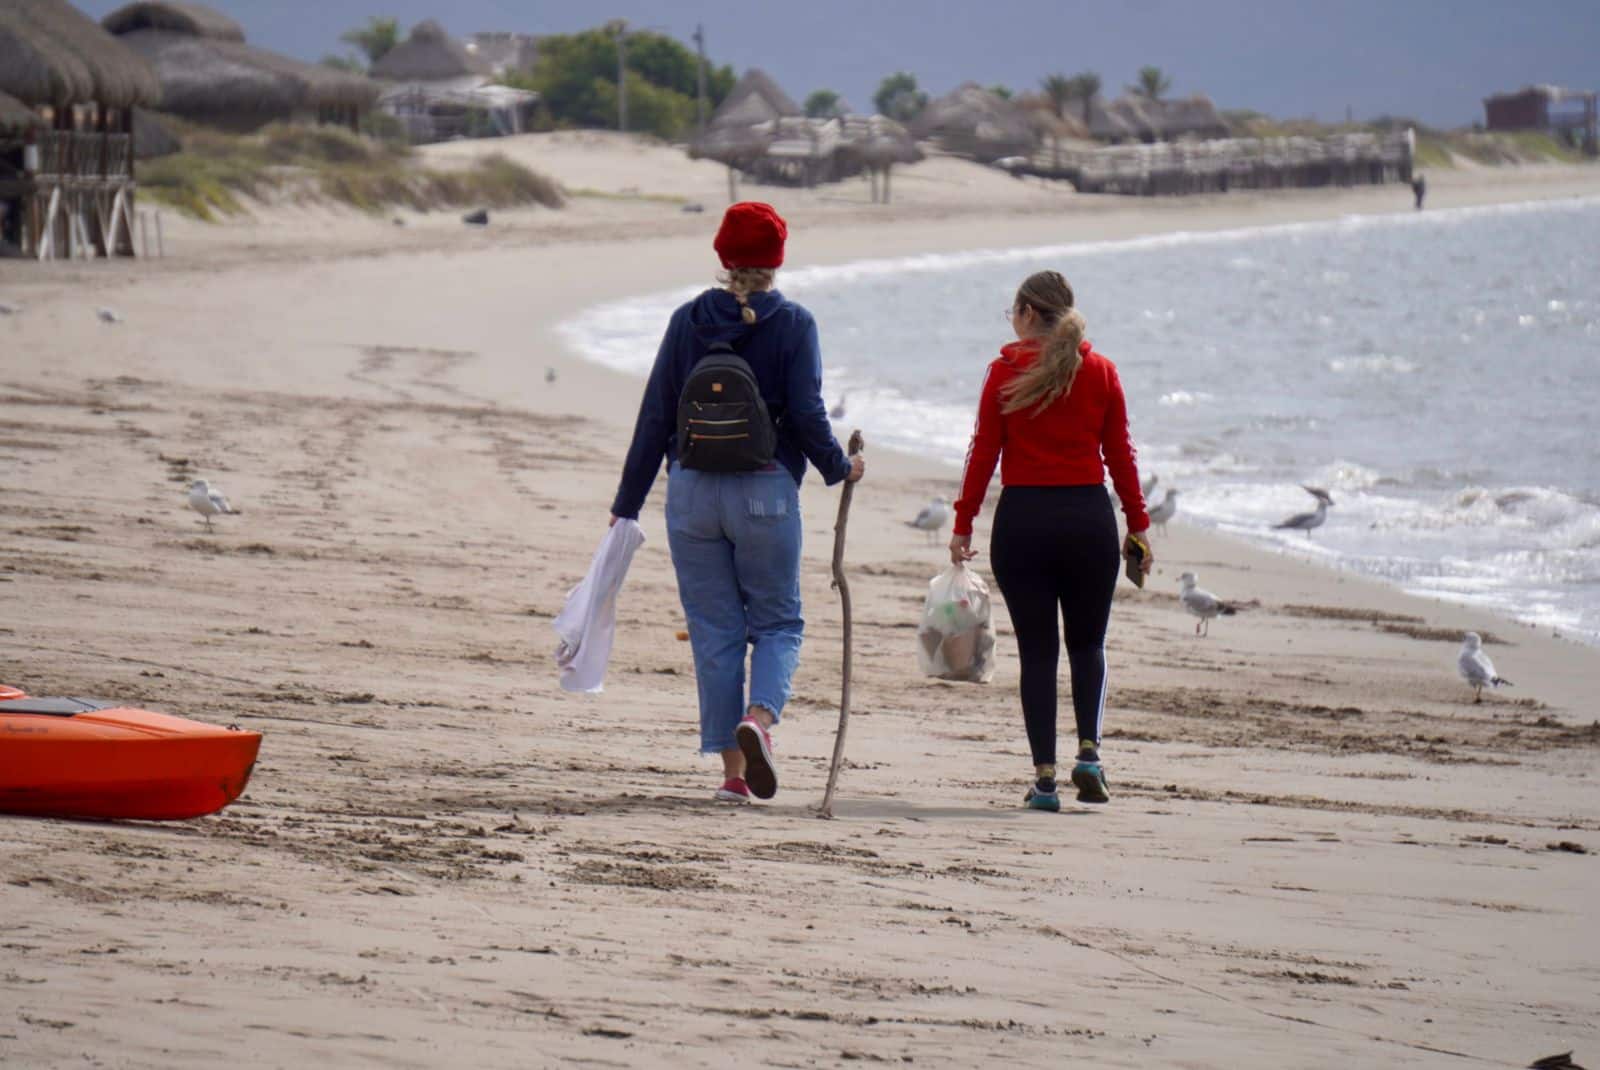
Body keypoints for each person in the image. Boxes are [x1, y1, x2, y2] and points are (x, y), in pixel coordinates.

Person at [610, 202, 864, 804]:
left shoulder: (687, 320)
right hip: (765, 492)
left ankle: (732, 776)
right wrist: (839, 467)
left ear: (723, 259)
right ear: (777, 261)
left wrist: (628, 502)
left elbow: (655, 415)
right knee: (778, 621)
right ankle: (761, 720)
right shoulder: (796, 323)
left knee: (715, 631)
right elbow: (806, 413)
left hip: (692, 492)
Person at [950, 270, 1151, 812]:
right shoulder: (1102, 371)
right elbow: (1121, 456)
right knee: (1088, 645)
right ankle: (1090, 755)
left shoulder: (1002, 372)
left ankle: (1044, 781)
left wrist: (963, 523)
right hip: (1088, 521)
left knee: (1038, 655)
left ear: (1026, 313)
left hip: (1024, 524)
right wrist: (1138, 524)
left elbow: (983, 453)